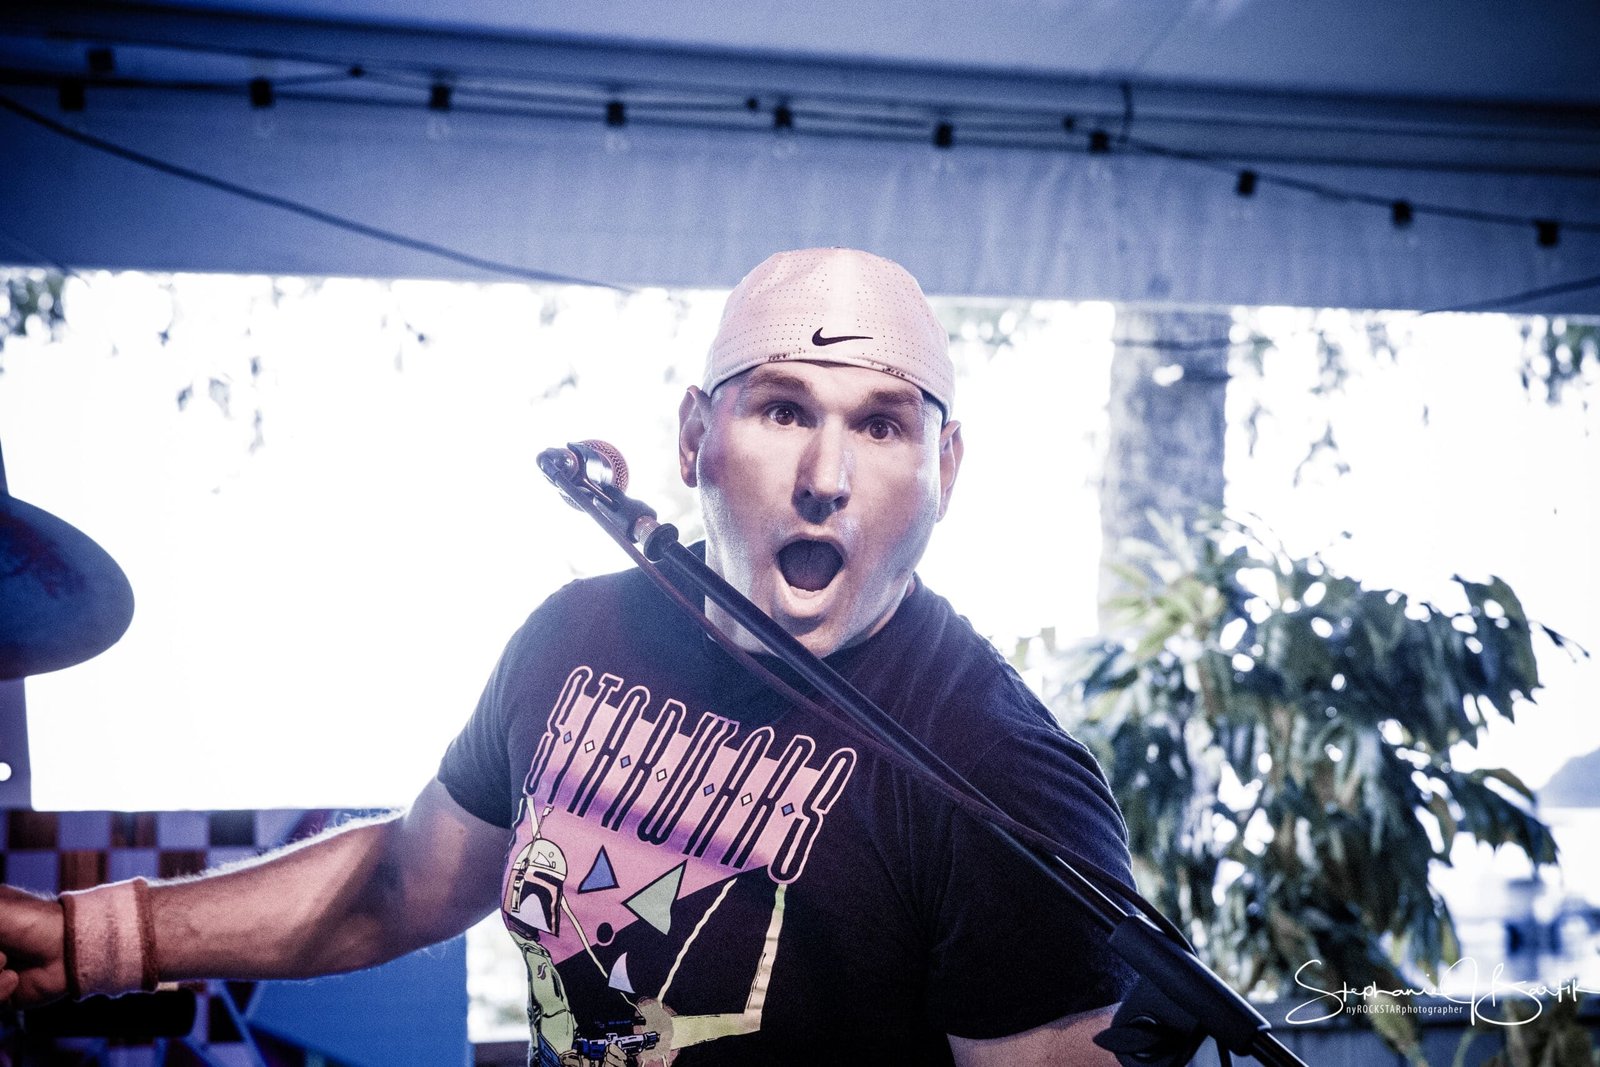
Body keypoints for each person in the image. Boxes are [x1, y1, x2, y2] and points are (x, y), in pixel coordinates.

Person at [0, 247, 1135, 1065]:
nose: (826, 478)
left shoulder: (1003, 776)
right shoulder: (578, 636)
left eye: (882, 425)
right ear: (692, 437)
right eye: (783, 410)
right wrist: (95, 938)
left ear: (947, 468)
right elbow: (398, 884)